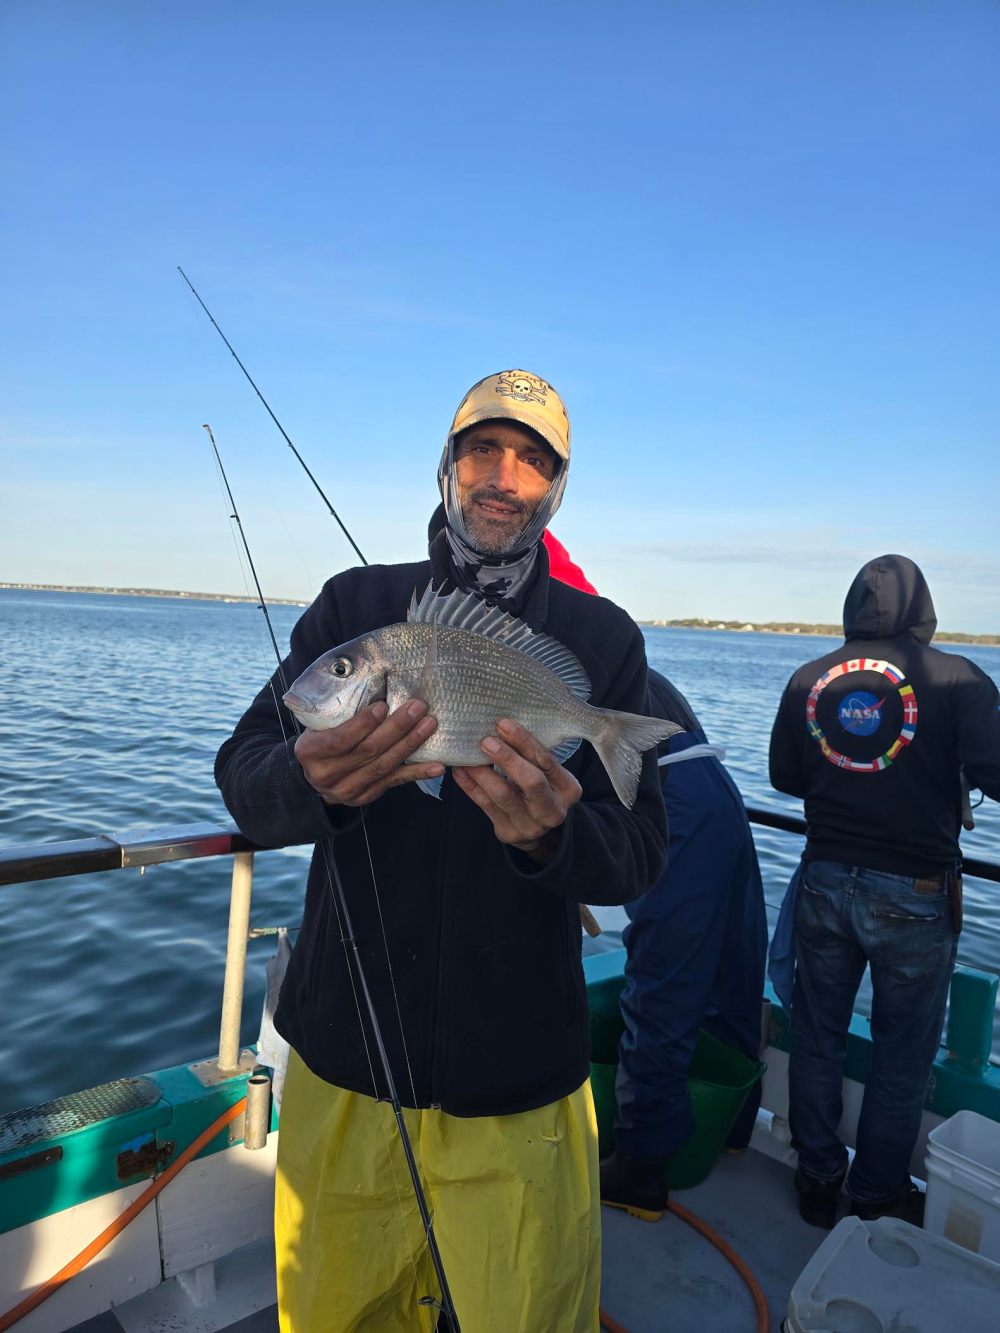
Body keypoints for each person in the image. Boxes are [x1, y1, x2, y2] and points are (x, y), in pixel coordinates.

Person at [215, 369, 668, 1332]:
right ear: (447, 464)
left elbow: (635, 859)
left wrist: (554, 836)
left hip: (519, 1081)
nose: (503, 476)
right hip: (345, 1060)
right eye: (482, 449)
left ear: (557, 487)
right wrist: (313, 782)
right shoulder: (353, 610)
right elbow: (246, 776)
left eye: (533, 459)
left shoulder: (603, 637)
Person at [769, 554, 1000, 1229]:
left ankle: (816, 1180)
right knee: (902, 1056)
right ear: (923, 608)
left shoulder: (808, 678)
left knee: (816, 1036)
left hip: (825, 879)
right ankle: (874, 1196)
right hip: (919, 894)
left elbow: (785, 775)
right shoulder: (958, 678)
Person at [600, 669, 768, 1221]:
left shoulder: (565, 656)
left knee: (659, 985)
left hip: (673, 804)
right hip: (716, 790)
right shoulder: (630, 660)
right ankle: (735, 1127)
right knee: (731, 967)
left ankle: (640, 1168)